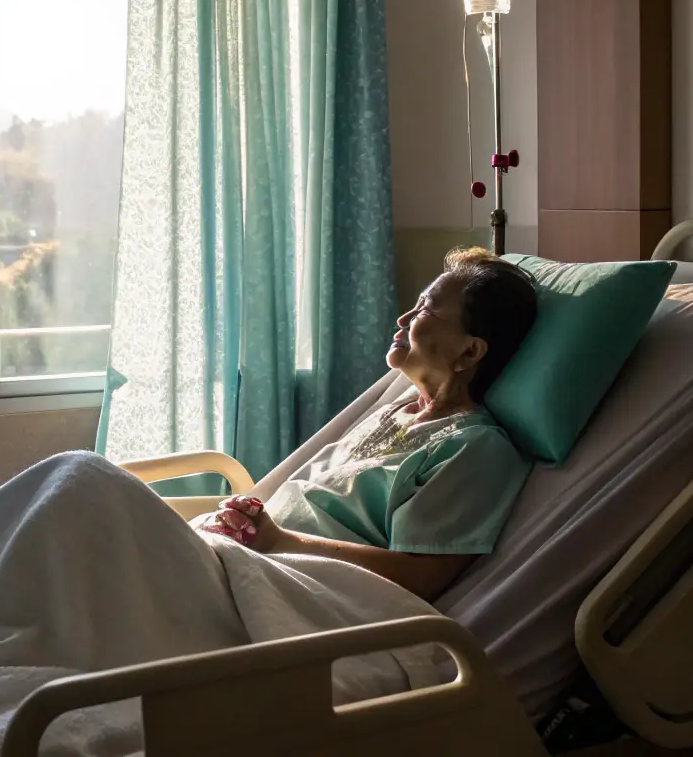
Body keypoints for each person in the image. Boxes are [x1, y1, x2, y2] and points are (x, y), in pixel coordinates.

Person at [199, 247, 538, 601]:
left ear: (469, 352)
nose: (403, 319)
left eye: (424, 309)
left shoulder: (474, 448)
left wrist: (277, 541)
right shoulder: (395, 411)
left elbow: (420, 578)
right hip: (247, 562)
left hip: (299, 592)